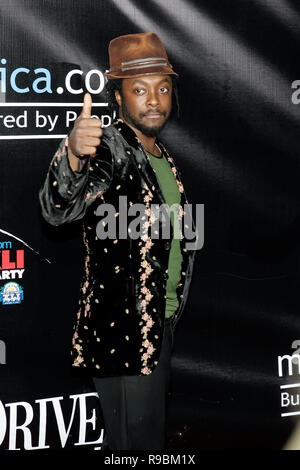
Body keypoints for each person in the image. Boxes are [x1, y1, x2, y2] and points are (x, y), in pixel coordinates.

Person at [39, 32, 196, 450]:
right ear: (119, 97)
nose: (154, 100)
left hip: (155, 326)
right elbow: (58, 209)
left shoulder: (161, 155)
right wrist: (73, 155)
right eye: (139, 89)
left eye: (163, 88)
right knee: (141, 446)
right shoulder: (112, 147)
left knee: (128, 444)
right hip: (125, 333)